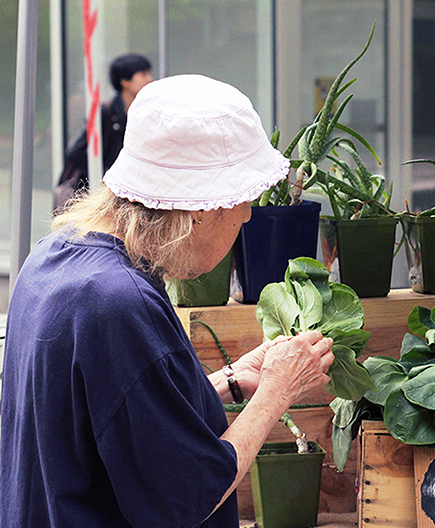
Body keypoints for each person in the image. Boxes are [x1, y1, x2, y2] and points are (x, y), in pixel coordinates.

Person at [1, 74, 335, 527]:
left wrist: (230, 381)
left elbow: (111, 416)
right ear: (201, 209)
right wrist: (278, 391)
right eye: (241, 209)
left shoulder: (52, 260)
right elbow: (189, 496)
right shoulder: (117, 303)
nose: (246, 219)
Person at [54, 53, 154, 211]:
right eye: (143, 74)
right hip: (95, 194)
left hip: (125, 195)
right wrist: (102, 173)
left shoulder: (143, 113)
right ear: (125, 81)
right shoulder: (105, 112)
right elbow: (75, 151)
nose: (149, 79)